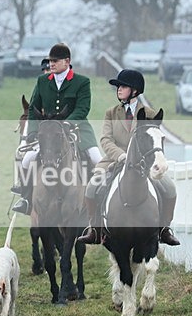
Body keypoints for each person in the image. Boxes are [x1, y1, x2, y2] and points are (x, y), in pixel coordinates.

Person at [77, 69, 180, 246]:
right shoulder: (111, 112)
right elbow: (105, 139)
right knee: (91, 188)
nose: (118, 89)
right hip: (114, 160)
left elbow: (155, 139)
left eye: (123, 86)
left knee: (170, 189)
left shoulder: (149, 113)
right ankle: (94, 229)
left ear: (135, 90)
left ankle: (164, 229)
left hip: (144, 163)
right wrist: (121, 156)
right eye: (118, 86)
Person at [11, 43, 102, 214]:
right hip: (48, 132)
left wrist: (67, 123)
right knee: (26, 159)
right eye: (50, 61)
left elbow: (83, 108)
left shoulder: (82, 81)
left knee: (97, 160)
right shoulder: (42, 81)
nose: (51, 64)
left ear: (67, 61)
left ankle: (96, 201)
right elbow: (33, 108)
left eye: (55, 61)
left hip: (78, 129)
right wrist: (32, 131)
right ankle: (26, 199)